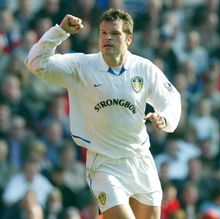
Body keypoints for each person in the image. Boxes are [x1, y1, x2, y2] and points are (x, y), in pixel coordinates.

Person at [25, 8, 181, 219]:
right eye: (103, 32)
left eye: (115, 33)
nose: (107, 37)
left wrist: (165, 118)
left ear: (128, 39)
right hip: (104, 163)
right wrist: (60, 31)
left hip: (140, 159)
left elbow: (171, 99)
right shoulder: (82, 66)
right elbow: (35, 63)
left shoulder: (144, 68)